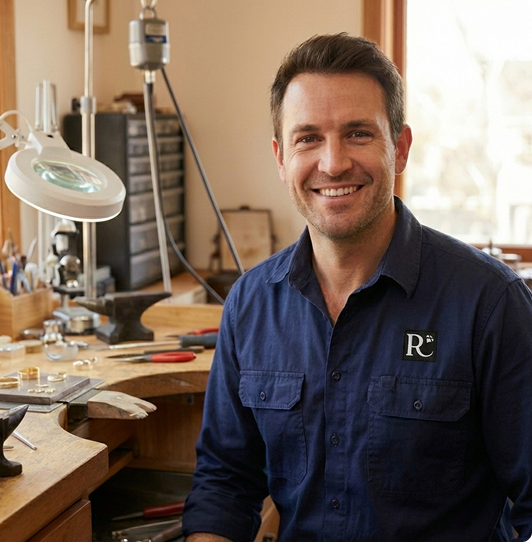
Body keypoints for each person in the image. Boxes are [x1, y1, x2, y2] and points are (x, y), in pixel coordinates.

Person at [181, 33, 532, 542]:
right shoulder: (250, 305)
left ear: (401, 148)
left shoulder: (490, 304)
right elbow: (225, 484)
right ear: (281, 158)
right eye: (308, 139)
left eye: (358, 134)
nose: (333, 163)